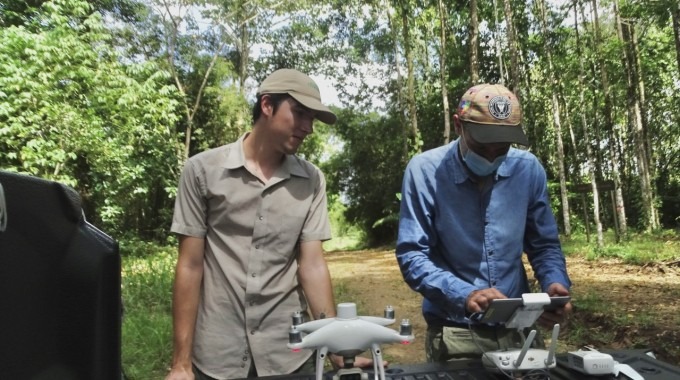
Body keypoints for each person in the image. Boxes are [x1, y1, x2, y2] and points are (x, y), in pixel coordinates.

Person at [165, 69, 370, 380]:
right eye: (300, 113)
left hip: (289, 353)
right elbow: (190, 266)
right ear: (266, 106)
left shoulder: (311, 180)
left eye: (312, 118)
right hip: (217, 355)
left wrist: (335, 346)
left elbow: (312, 266)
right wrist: (181, 364)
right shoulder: (202, 171)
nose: (308, 127)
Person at [395, 83, 572, 362]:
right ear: (458, 125)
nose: (491, 156)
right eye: (481, 146)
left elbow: (544, 244)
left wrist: (554, 283)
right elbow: (413, 254)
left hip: (519, 328)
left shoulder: (528, 171)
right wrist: (464, 294)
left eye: (501, 148)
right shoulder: (425, 172)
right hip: (456, 330)